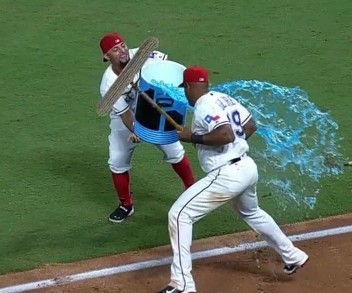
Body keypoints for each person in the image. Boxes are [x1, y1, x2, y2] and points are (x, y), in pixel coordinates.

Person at [157, 66, 309, 293]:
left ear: (188, 86)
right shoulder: (222, 98)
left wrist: (193, 137)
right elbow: (250, 126)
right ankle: (292, 255)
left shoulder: (203, 106)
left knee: (179, 215)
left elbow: (225, 135)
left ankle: (182, 284)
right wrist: (230, 145)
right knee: (252, 212)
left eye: (185, 89)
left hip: (227, 175)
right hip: (247, 167)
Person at [99, 32, 196, 223]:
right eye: (115, 50)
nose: (123, 51)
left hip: (154, 110)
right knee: (117, 163)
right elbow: (126, 115)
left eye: (124, 46)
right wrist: (138, 131)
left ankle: (193, 192)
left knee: (175, 151)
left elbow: (171, 71)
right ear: (106, 56)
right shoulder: (109, 85)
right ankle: (126, 205)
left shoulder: (143, 57)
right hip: (126, 122)